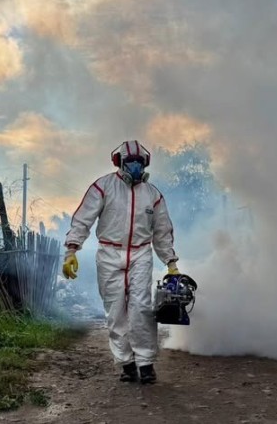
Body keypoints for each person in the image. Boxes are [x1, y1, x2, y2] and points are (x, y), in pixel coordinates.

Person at [62, 140, 180, 384]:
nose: (135, 166)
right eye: (131, 162)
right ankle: (126, 364)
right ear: (120, 163)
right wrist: (71, 250)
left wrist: (171, 263)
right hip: (109, 252)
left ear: (145, 164)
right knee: (115, 312)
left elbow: (162, 231)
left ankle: (146, 364)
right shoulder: (103, 187)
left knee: (141, 309)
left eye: (139, 162)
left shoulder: (153, 195)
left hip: (140, 253)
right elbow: (83, 219)